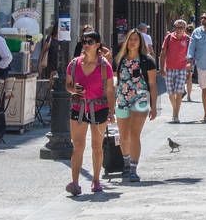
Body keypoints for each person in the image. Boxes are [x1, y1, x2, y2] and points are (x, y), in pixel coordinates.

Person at [67, 30, 114, 196]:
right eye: (84, 42)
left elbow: (110, 90)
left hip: (99, 108)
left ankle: (96, 180)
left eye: (90, 42)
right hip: (78, 108)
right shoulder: (74, 64)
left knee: (96, 146)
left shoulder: (104, 67)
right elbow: (68, 85)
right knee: (78, 146)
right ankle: (74, 183)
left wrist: (111, 112)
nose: (86, 45)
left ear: (98, 45)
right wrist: (74, 90)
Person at [114, 28, 158, 183]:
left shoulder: (147, 61)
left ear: (140, 43)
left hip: (140, 100)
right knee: (123, 135)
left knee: (134, 134)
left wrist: (154, 106)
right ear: (126, 41)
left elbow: (152, 84)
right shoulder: (120, 59)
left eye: (136, 40)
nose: (133, 42)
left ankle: (133, 169)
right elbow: (116, 82)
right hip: (122, 99)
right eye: (130, 39)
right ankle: (126, 163)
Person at [159, 19, 191, 124]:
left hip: (182, 69)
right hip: (169, 68)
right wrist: (161, 68)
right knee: (171, 93)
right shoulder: (169, 38)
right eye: (177, 27)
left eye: (181, 27)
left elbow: (191, 55)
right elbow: (163, 53)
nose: (179, 29)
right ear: (174, 28)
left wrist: (190, 66)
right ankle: (175, 110)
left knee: (179, 92)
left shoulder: (188, 39)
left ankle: (176, 115)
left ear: (185, 28)